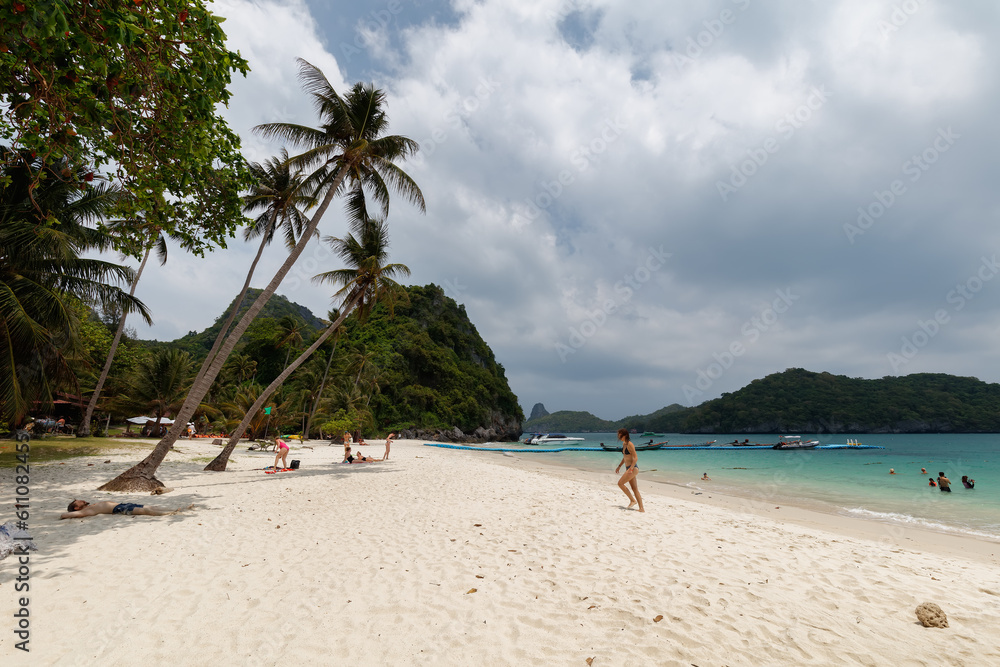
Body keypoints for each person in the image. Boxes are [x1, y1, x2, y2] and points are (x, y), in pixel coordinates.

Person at [61, 500, 192, 519]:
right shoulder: (85, 511)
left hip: (123, 504)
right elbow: (64, 515)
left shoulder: (89, 506)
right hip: (118, 509)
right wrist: (67, 514)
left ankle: (180, 509)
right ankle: (169, 513)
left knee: (151, 507)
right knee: (144, 511)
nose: (80, 500)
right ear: (76, 507)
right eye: (77, 501)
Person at [614, 428, 644, 512]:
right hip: (629, 468)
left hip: (633, 468)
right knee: (635, 489)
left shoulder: (630, 444)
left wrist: (630, 469)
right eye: (619, 436)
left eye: (620, 436)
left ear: (625, 435)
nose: (619, 438)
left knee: (620, 483)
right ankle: (641, 508)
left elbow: (635, 458)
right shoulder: (624, 444)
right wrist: (619, 466)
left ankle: (632, 500)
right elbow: (625, 457)